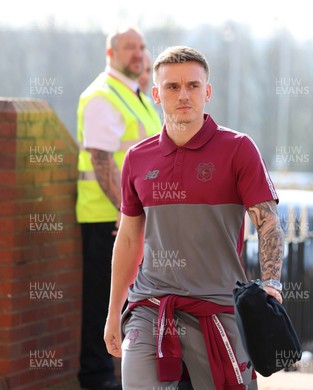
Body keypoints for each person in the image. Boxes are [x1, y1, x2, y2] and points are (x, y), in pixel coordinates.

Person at [103, 46, 284, 390]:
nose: (183, 95)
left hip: (218, 308)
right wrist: (114, 312)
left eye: (193, 85)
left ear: (207, 91)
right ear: (156, 94)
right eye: (172, 87)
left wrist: (272, 283)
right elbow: (127, 239)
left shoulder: (238, 148)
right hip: (150, 307)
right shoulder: (137, 158)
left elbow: (268, 222)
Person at [76, 26, 162, 390]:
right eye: (129, 47)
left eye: (141, 47)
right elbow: (100, 160)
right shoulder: (101, 95)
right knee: (103, 299)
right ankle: (96, 378)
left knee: (131, 298)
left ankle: (122, 374)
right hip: (107, 218)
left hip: (131, 216)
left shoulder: (134, 94)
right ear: (110, 54)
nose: (138, 53)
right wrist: (124, 213)